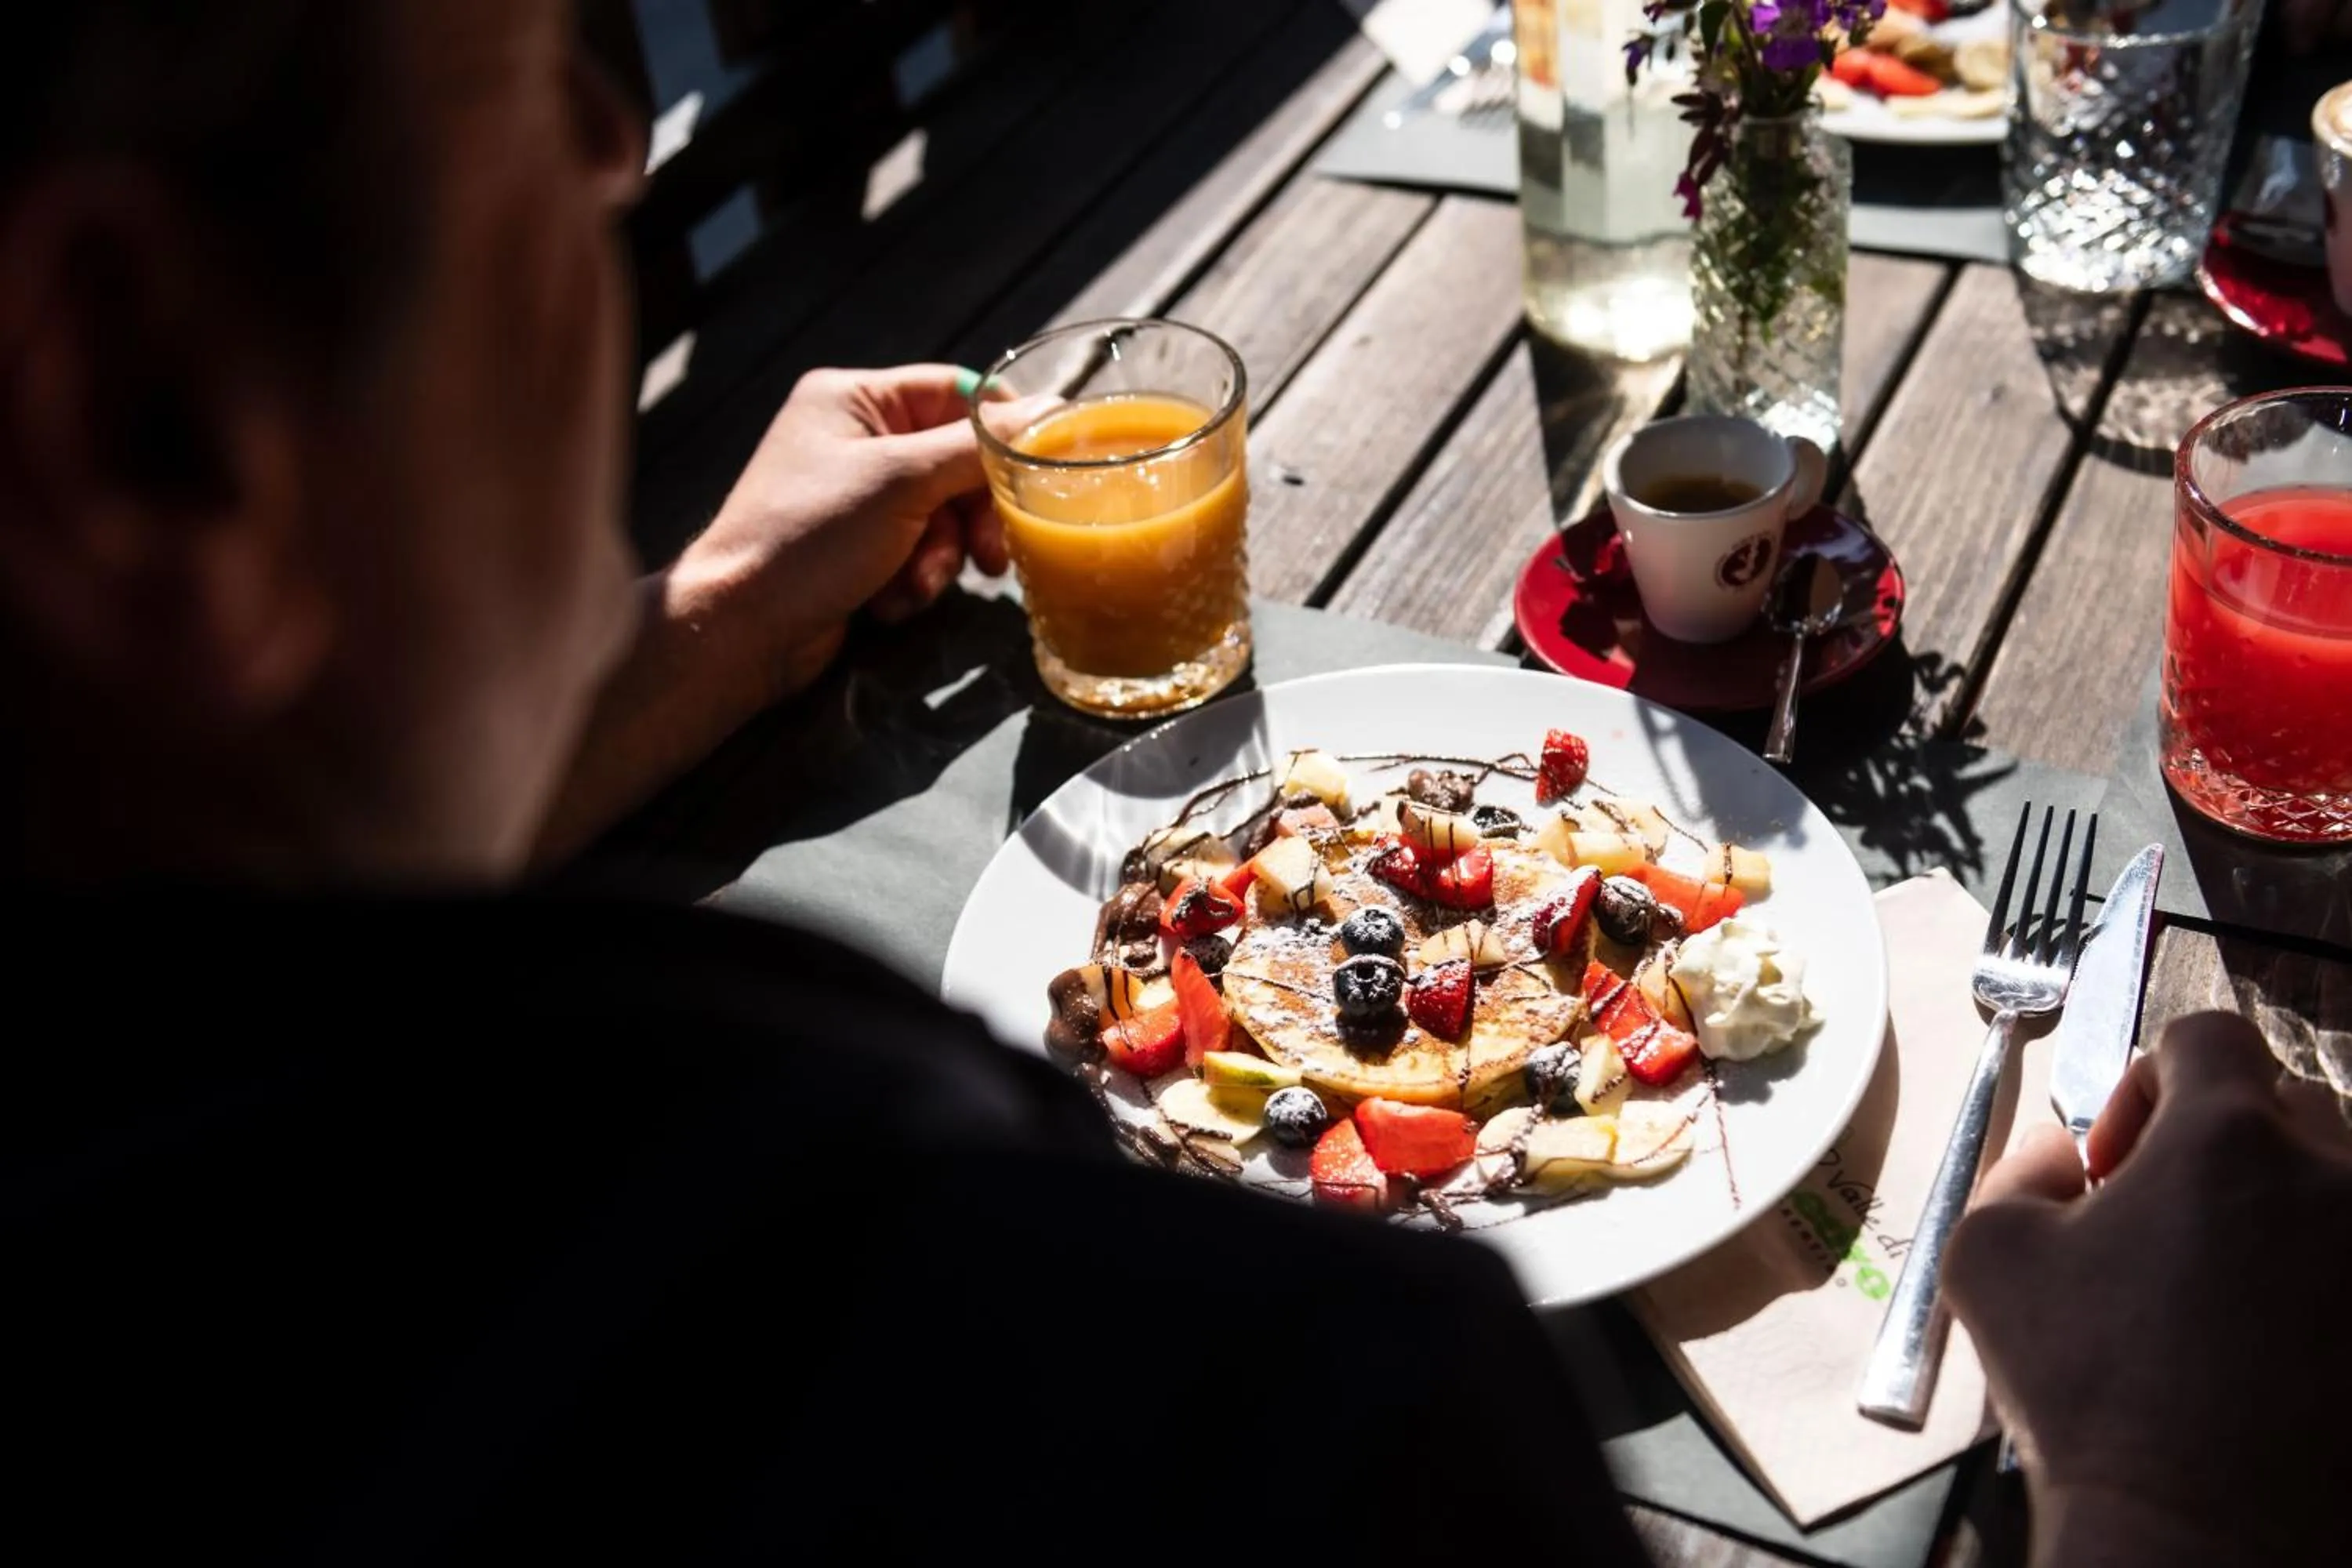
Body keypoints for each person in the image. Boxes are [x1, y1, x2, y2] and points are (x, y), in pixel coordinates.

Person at [0, 3, 2343, 1563]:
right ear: (144, 421)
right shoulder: (1199, 1406)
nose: (623, 135)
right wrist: (2175, 1493)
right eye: (529, 70)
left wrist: (706, 617)